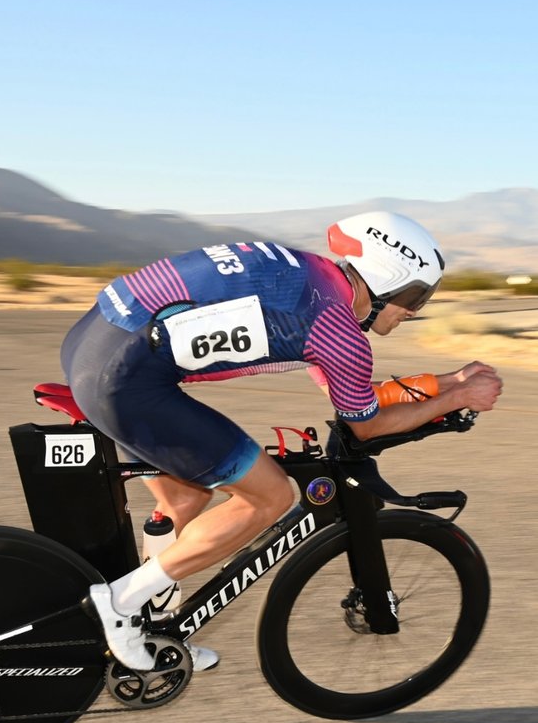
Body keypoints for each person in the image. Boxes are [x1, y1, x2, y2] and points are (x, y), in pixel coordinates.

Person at [60, 211, 503, 672]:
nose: (414, 310)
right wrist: (457, 397)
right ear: (384, 276)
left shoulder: (313, 278)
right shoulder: (336, 326)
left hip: (91, 345)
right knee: (269, 497)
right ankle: (120, 603)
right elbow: (364, 424)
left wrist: (448, 383)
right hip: (126, 382)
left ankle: (149, 626)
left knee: (185, 499)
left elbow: (350, 391)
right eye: (414, 294)